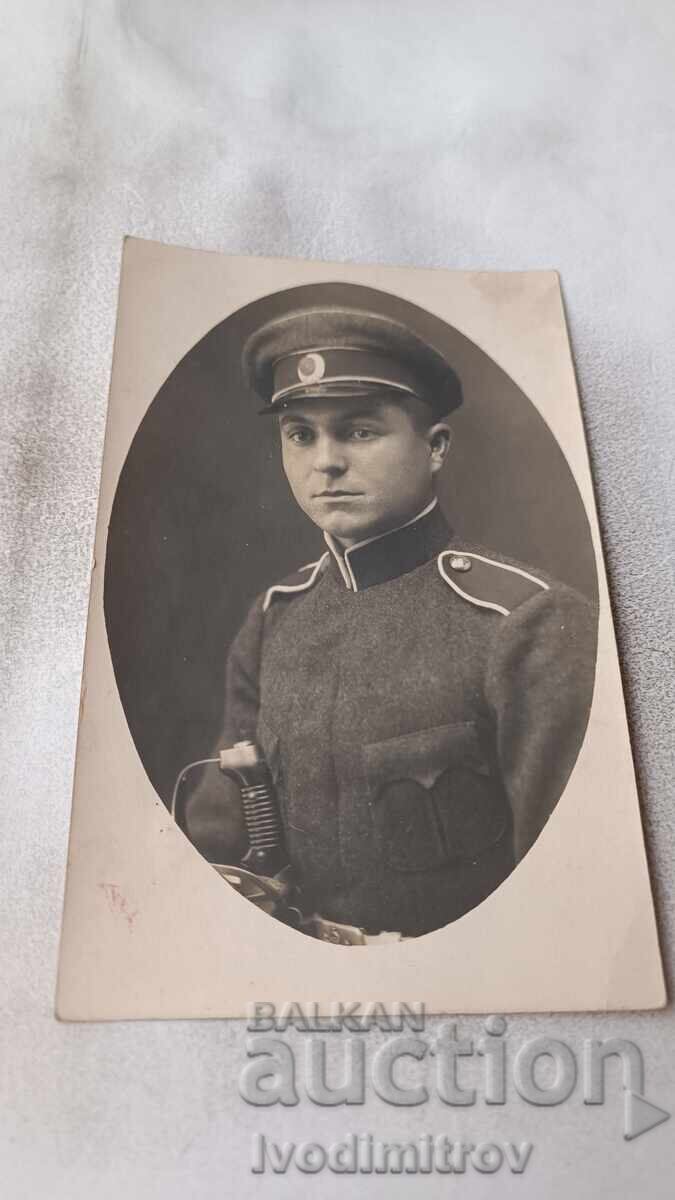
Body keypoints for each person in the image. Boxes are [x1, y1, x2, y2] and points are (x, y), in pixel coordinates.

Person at [182, 302, 596, 943]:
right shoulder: (275, 619)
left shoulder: (525, 624)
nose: (326, 462)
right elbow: (222, 835)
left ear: (435, 448)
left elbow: (571, 893)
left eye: (359, 432)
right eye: (300, 434)